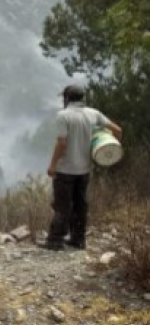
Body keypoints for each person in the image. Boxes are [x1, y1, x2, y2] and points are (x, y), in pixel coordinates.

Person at [43, 85, 123, 251]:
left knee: (62, 205)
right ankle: (78, 240)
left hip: (65, 169)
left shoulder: (63, 116)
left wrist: (52, 165)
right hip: (84, 170)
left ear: (66, 98)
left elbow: (62, 143)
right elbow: (117, 130)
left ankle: (55, 240)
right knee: (80, 204)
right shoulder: (93, 113)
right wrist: (110, 150)